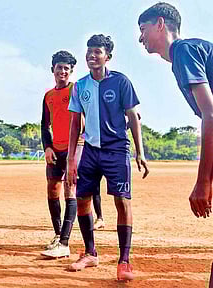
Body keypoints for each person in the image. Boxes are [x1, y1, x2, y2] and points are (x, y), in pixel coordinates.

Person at [66, 34, 149, 281]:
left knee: (122, 202)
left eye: (97, 52)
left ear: (107, 57)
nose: (92, 55)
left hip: (116, 150)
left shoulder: (121, 82)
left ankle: (124, 261)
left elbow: (133, 118)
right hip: (90, 151)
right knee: (82, 200)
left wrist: (140, 151)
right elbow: (74, 123)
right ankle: (90, 253)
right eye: (89, 51)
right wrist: (71, 158)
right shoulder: (79, 86)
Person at [138, 2, 213, 219]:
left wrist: (203, 182)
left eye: (143, 29)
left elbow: (210, 114)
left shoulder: (184, 51)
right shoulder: (187, 53)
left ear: (160, 24)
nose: (140, 38)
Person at [40, 50, 84, 258]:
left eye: (67, 68)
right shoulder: (48, 96)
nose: (63, 71)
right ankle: (58, 235)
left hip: (74, 148)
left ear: (71, 71)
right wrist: (47, 147)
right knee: (52, 190)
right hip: (55, 149)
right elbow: (44, 125)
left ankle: (65, 242)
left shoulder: (76, 90)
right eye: (59, 68)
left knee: (70, 190)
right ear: (53, 70)